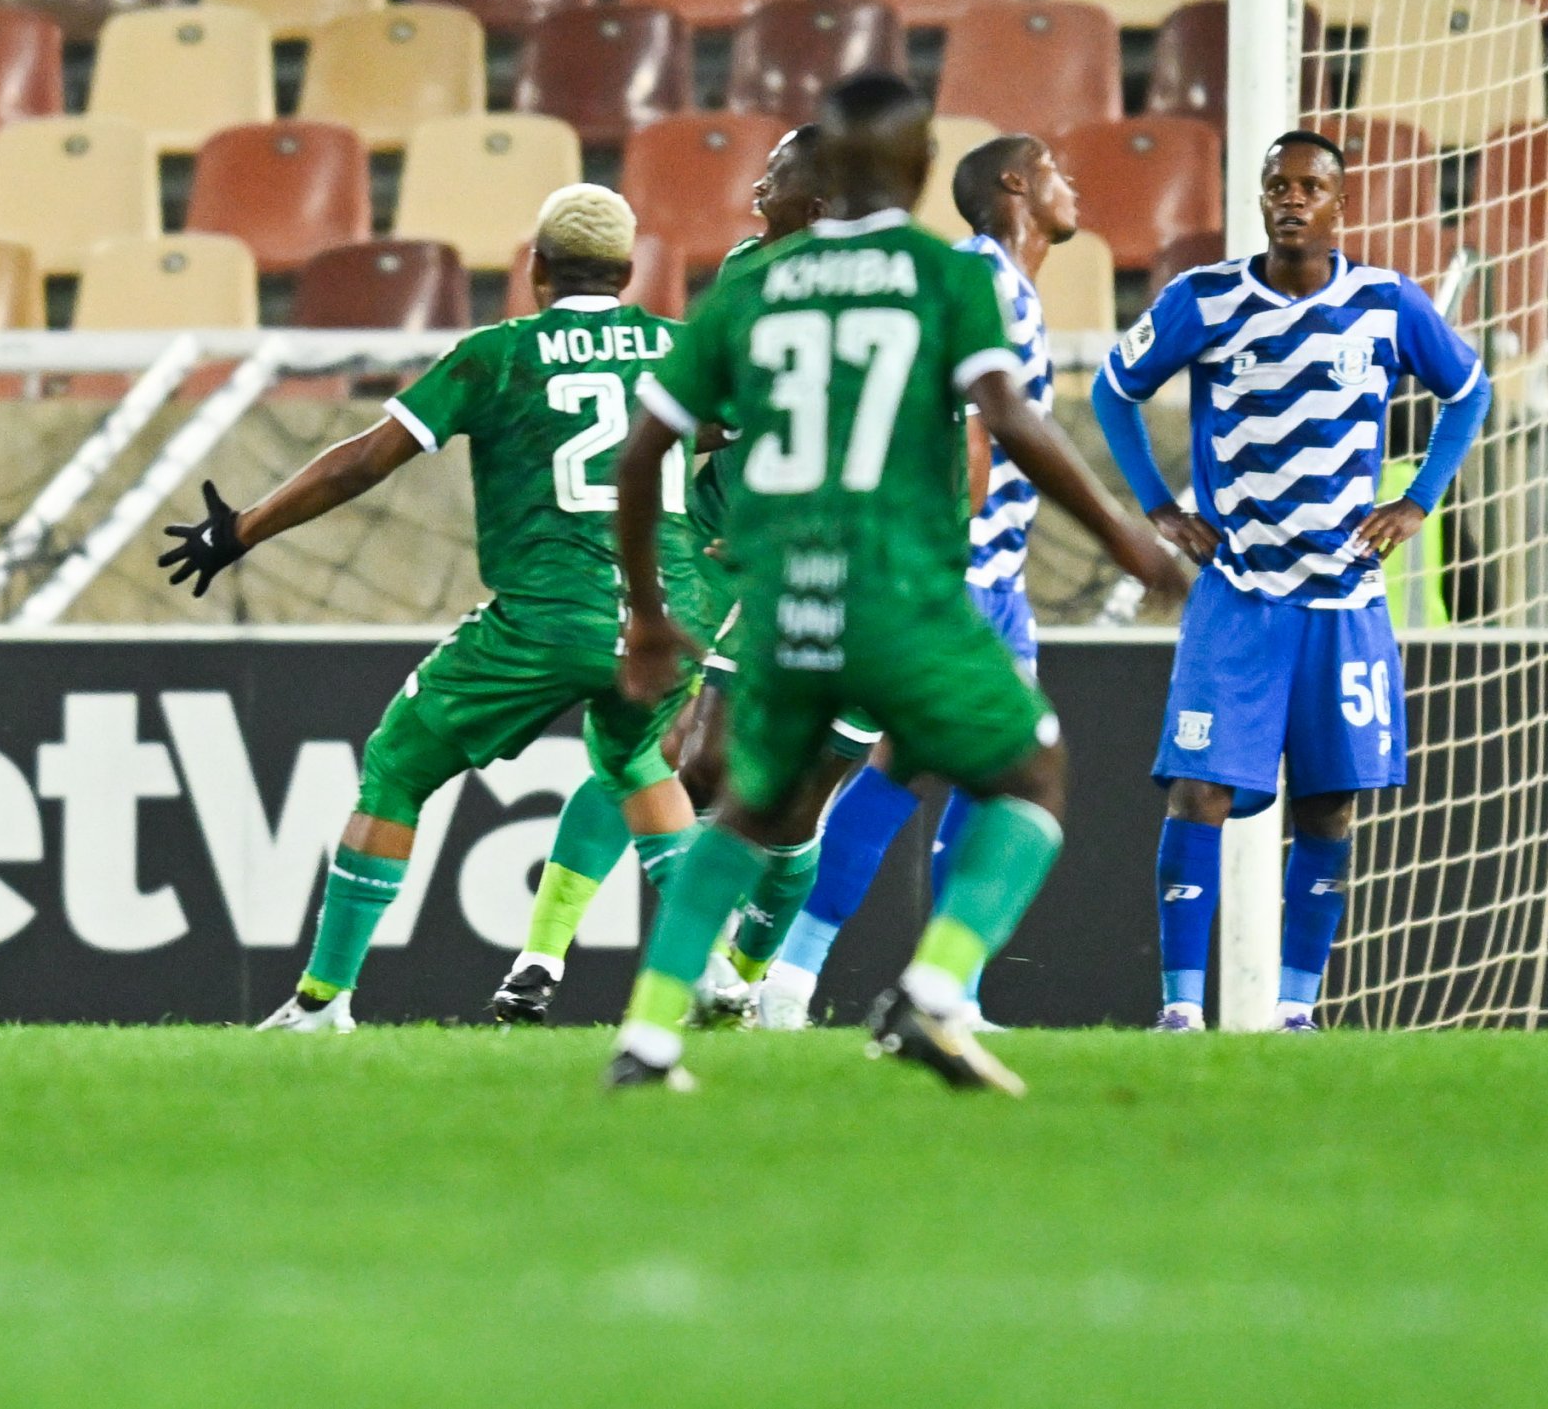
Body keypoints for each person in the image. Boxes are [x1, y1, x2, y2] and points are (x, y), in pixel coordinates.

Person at [605, 72, 1182, 1095]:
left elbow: (645, 448)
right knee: (1032, 768)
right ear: (921, 171)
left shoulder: (754, 281)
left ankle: (647, 1040)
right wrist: (1128, 537)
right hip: (897, 590)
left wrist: (650, 616)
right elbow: (1007, 420)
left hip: (783, 597)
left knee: (747, 809)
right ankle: (931, 990)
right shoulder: (943, 275)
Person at [157, 186, 702, 1033]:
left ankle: (321, 1001)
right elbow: (752, 444)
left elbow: (364, 461)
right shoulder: (686, 351)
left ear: (535, 269)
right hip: (663, 622)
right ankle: (714, 976)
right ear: (630, 274)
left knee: (400, 765)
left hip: (546, 618)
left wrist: (243, 529)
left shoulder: (498, 355)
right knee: (639, 767)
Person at [1093, 130, 1491, 1032]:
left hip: (1344, 606)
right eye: (1278, 184)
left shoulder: (1388, 304)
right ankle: (1182, 1011)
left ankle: (1294, 1011)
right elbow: (1115, 390)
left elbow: (1469, 391)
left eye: (1311, 185)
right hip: (1239, 595)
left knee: (1329, 803)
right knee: (1200, 789)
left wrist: (1418, 500)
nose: (1291, 198)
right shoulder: (1205, 300)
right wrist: (1159, 506)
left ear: (1340, 203)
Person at [485, 127, 852, 1027]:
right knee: (650, 743)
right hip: (722, 543)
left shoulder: (879, 295)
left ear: (823, 200)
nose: (758, 179)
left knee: (797, 793)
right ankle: (543, 955)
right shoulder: (741, 266)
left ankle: (744, 974)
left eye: (779, 170)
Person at [758, 133, 1075, 1031]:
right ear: (1016, 185)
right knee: (915, 767)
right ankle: (793, 972)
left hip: (998, 577)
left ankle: (946, 991)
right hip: (961, 571)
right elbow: (969, 421)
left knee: (979, 777)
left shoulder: (1012, 285)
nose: (1072, 186)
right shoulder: (982, 280)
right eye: (1056, 170)